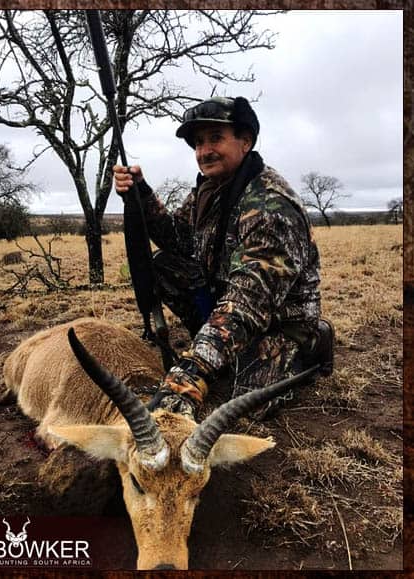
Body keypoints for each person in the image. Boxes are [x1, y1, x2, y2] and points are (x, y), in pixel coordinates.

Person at [113, 96, 333, 419]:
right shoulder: (209, 189)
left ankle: (312, 347)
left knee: (241, 398)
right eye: (198, 142)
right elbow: (176, 236)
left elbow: (247, 306)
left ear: (246, 141)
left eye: (216, 138)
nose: (204, 151)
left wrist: (190, 373)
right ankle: (215, 345)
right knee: (162, 265)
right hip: (226, 299)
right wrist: (141, 193)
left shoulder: (272, 207)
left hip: (276, 322)